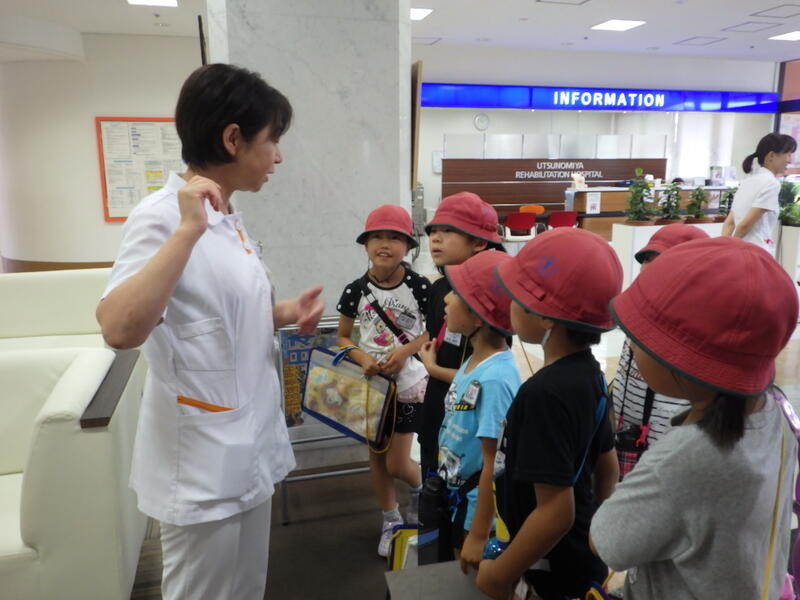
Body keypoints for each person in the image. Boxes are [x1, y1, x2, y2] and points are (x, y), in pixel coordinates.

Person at [96, 64, 324, 600]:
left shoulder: (229, 216)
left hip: (249, 439)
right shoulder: (162, 217)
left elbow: (219, 317)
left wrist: (284, 311)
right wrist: (187, 232)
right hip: (201, 458)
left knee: (246, 587)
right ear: (232, 139)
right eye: (272, 140)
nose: (278, 157)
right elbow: (119, 328)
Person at [590, 236, 798, 599]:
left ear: (682, 359)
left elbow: (606, 543)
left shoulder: (686, 457)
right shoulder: (775, 411)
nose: (632, 345)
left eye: (641, 336)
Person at [477, 228, 622, 600]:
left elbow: (556, 512)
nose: (509, 303)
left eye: (517, 295)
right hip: (578, 558)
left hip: (548, 570)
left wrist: (499, 577)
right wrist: (594, 534)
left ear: (546, 317)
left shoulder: (543, 394)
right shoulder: (590, 373)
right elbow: (608, 467)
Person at [335, 204, 429, 557]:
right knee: (377, 458)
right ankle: (391, 519)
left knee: (397, 463)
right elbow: (343, 337)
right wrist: (363, 359)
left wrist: (404, 353)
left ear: (408, 246)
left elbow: (434, 331)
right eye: (376, 237)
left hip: (408, 386)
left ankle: (422, 491)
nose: (384, 244)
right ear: (366, 244)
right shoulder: (354, 290)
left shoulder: (419, 286)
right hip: (371, 387)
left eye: (394, 238)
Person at [436, 250, 521, 571]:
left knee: (471, 581)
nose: (446, 299)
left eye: (456, 294)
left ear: (477, 318)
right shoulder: (475, 360)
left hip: (476, 509)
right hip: (459, 497)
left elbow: (493, 461)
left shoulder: (496, 379)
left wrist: (478, 533)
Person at [418, 192, 505, 482]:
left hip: (468, 418)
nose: (435, 238)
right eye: (433, 231)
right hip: (435, 408)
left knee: (461, 489)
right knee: (431, 482)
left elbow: (489, 373)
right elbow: (433, 338)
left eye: (448, 231)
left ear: (479, 242)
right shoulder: (438, 289)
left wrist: (433, 369)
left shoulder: (495, 295)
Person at [613, 224, 708, 479]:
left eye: (661, 261)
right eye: (647, 258)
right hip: (626, 431)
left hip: (666, 442)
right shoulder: (637, 310)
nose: (649, 267)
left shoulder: (695, 330)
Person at [722, 132, 797, 255]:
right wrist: (731, 250)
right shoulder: (771, 183)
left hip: (742, 250)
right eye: (788, 154)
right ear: (772, 155)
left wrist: (724, 248)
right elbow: (745, 225)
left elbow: (730, 222)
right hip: (756, 252)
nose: (790, 160)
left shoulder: (747, 181)